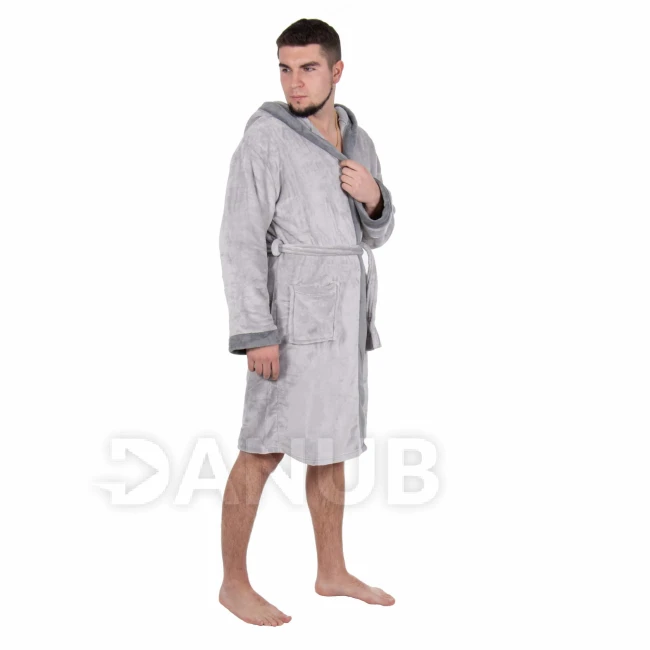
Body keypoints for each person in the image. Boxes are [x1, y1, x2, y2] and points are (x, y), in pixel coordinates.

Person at [218, 18, 396, 627]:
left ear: (336, 70)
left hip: (343, 315)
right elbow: (239, 238)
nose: (295, 82)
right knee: (262, 448)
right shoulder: (266, 139)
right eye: (285, 69)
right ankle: (233, 584)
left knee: (332, 445)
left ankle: (332, 571)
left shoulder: (358, 139)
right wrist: (256, 330)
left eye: (309, 68)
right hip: (289, 319)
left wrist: (374, 197)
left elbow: (376, 233)